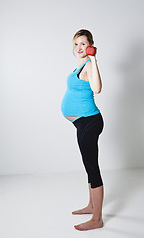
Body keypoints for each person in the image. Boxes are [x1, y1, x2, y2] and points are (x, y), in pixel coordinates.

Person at [61, 29, 104, 231]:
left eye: (84, 44)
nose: (80, 47)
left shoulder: (89, 65)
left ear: (90, 46)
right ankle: (91, 205)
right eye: (76, 44)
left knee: (92, 168)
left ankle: (97, 218)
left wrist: (94, 59)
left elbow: (96, 89)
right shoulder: (78, 66)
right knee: (88, 166)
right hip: (82, 122)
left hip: (90, 121)